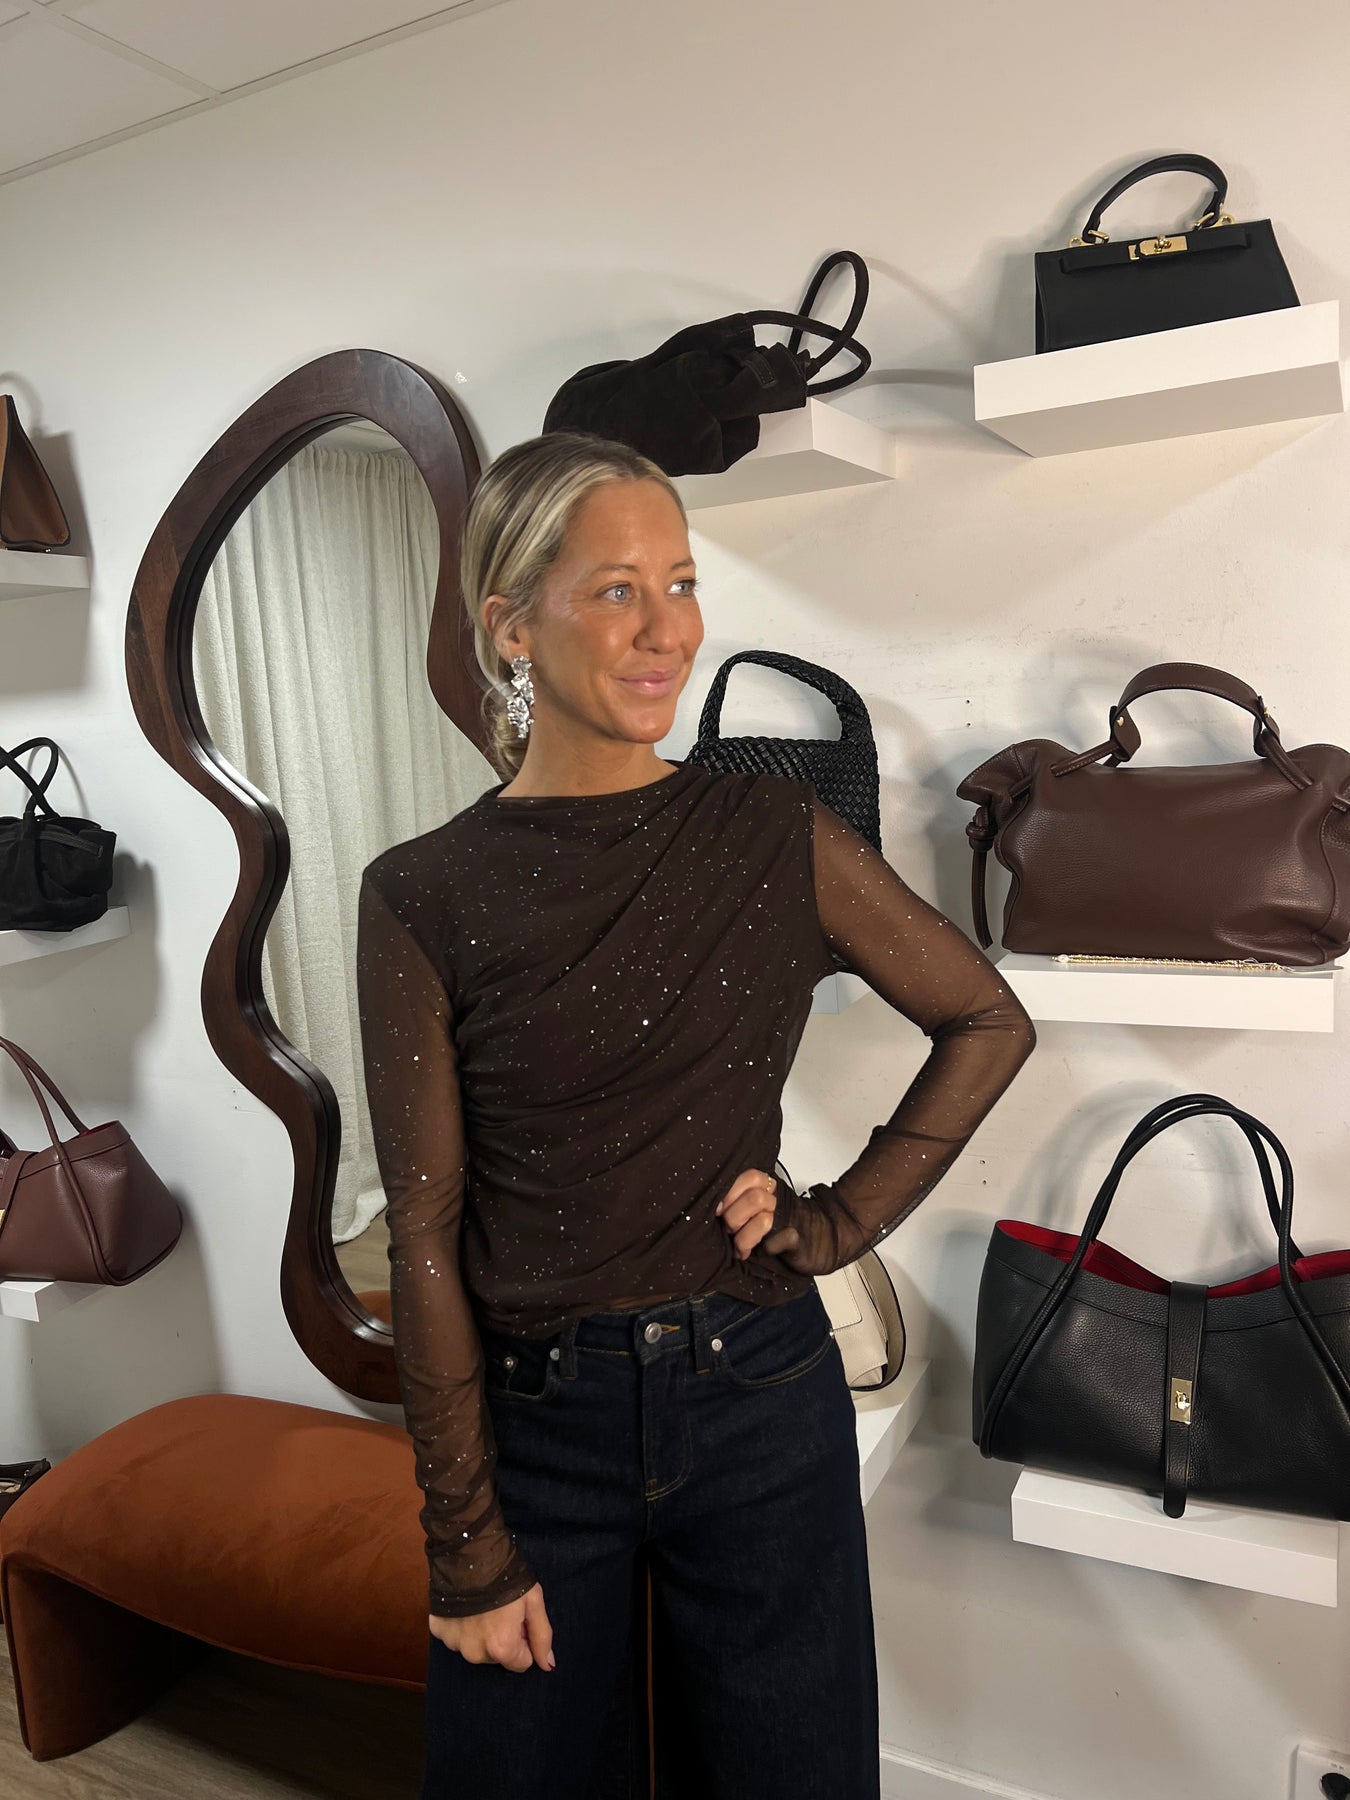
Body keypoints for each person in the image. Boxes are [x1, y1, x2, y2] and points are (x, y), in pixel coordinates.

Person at [355, 430, 1036, 1800]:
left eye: (679, 583)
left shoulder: (774, 835)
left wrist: (836, 1221)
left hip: (758, 1397)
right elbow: (423, 1231)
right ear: (512, 624)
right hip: (535, 1428)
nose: (667, 630)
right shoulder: (422, 891)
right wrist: (464, 1540)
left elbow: (986, 1020)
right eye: (616, 591)